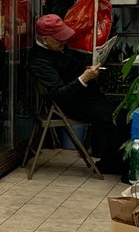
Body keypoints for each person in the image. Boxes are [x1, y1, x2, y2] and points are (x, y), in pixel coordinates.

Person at [27, 14, 130, 183]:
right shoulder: (39, 61)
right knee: (119, 117)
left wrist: (87, 72)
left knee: (128, 110)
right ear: (45, 40)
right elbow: (59, 95)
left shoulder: (57, 48)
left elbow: (70, 68)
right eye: (59, 39)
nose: (64, 42)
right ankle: (121, 166)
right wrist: (84, 78)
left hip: (88, 97)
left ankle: (111, 161)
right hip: (73, 104)